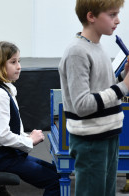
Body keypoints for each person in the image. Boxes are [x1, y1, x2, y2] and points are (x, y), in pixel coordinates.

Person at [58, 0, 129, 195]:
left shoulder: (97, 46)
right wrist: (124, 86)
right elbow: (82, 105)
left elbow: (102, 87)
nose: (118, 20)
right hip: (91, 140)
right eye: (112, 15)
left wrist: (123, 75)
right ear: (91, 16)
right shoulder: (77, 52)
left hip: (108, 134)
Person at [0, 41, 60, 196]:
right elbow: (2, 136)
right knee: (54, 181)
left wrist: (26, 137)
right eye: (13, 62)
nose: (18, 66)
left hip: (7, 155)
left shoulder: (6, 90)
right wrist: (30, 141)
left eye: (19, 61)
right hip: (1, 158)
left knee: (56, 173)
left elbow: (11, 130)